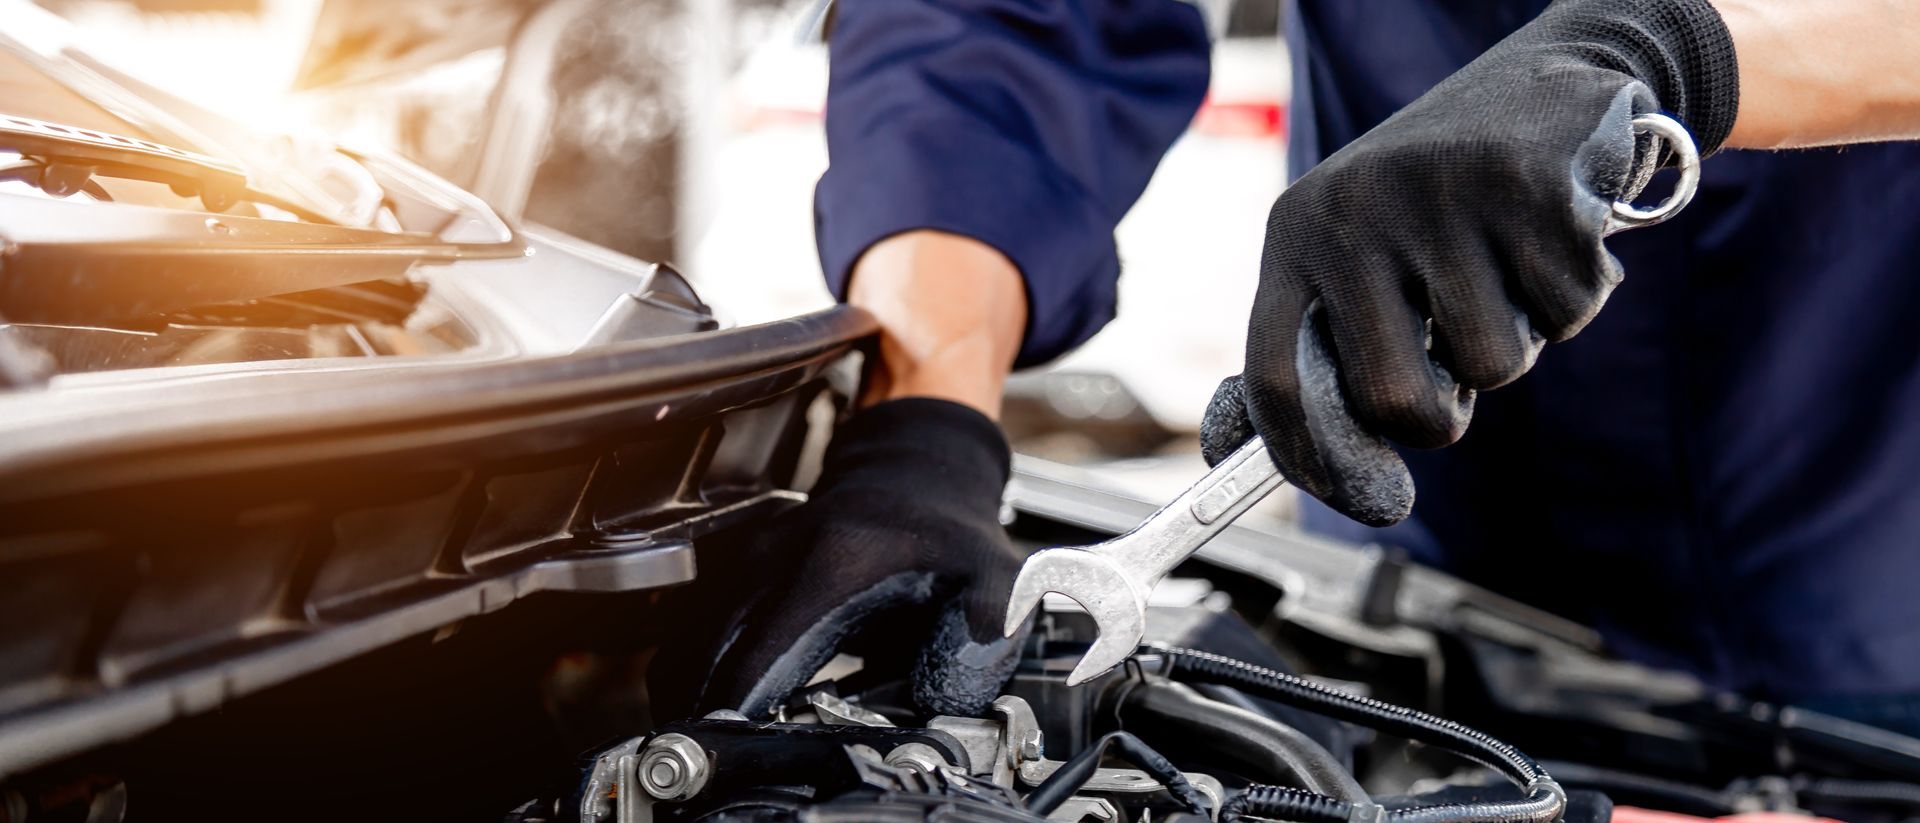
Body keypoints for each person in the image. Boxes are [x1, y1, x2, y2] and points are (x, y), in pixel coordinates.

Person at [702, 0, 1920, 730]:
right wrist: (926, 426)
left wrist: (1683, 50)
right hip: (1421, 584)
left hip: (1879, 534)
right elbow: (1007, 28)